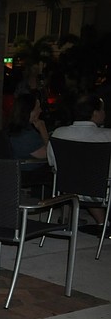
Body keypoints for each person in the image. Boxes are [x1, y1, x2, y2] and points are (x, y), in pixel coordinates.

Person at [50, 94, 111, 225]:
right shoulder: (107, 136)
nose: (104, 113)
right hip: (99, 192)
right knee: (93, 179)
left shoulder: (58, 133)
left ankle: (101, 223)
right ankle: (103, 224)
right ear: (95, 113)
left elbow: (53, 162)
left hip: (67, 189)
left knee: (83, 178)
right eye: (102, 109)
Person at [8, 92, 49, 163]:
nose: (40, 110)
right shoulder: (25, 135)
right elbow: (50, 154)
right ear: (28, 111)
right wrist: (43, 130)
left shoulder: (15, 129)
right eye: (37, 108)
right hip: (33, 168)